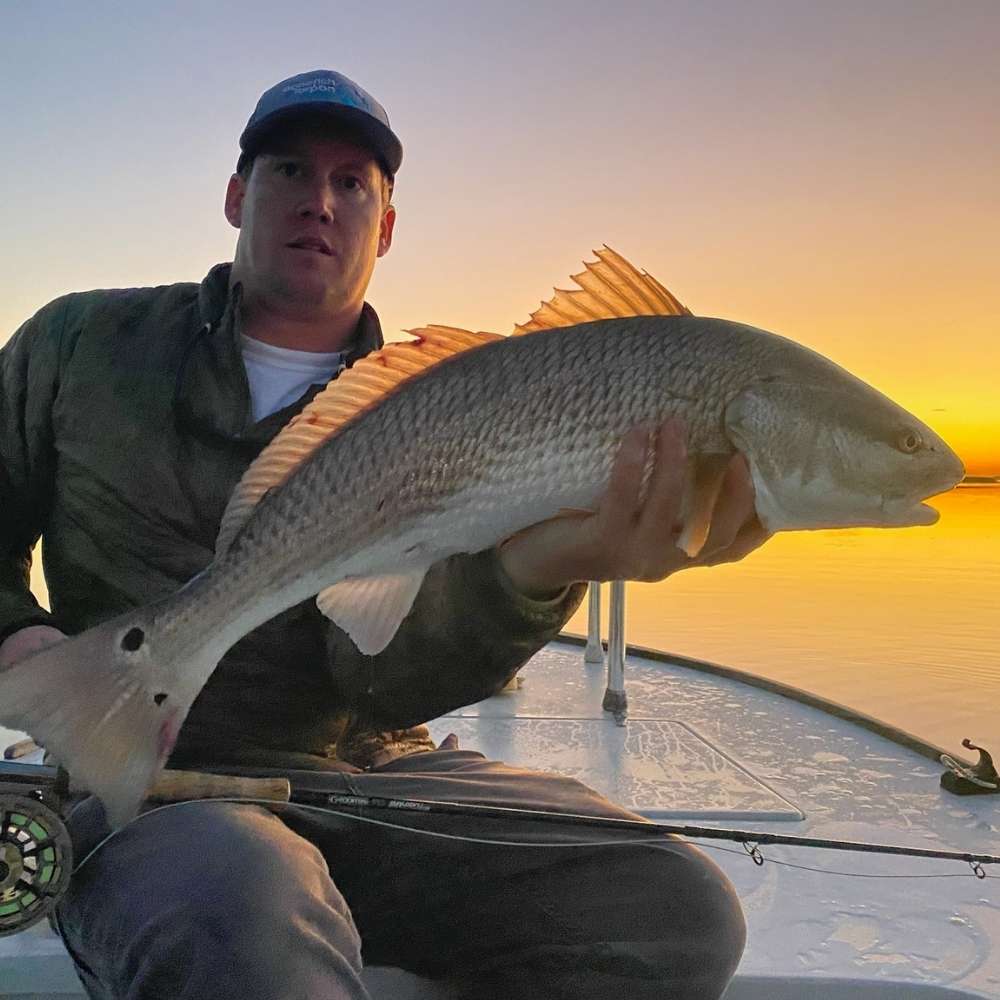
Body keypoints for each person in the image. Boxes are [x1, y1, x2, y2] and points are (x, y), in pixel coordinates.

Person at [0, 70, 769, 999]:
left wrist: (542, 571)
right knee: (242, 902)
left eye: (352, 182)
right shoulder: (81, 344)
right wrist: (24, 641)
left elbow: (388, 677)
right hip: (162, 791)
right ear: (237, 196)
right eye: (290, 169)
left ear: (387, 226)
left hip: (378, 779)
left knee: (676, 908)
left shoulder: (453, 407)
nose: (320, 201)